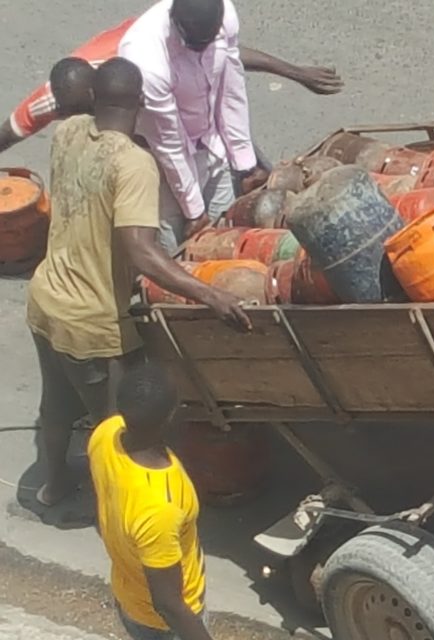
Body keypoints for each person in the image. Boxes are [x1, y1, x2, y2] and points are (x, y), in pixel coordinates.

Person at [27, 56, 251, 507]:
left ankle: (53, 488)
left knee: (55, 406)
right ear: (141, 101)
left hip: (45, 298)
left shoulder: (68, 132)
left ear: (93, 97)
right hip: (90, 322)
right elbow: (141, 251)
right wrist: (212, 296)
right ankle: (119, 515)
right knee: (119, 427)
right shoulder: (133, 165)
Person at [0, 12, 342, 156]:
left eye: (92, 112)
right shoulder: (53, 99)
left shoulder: (142, 60)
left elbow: (222, 54)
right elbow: (7, 134)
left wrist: (295, 72)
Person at [88, 363, 211, 640]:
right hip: (164, 626)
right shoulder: (159, 507)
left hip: (128, 595)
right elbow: (168, 605)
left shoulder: (106, 434)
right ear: (170, 418)